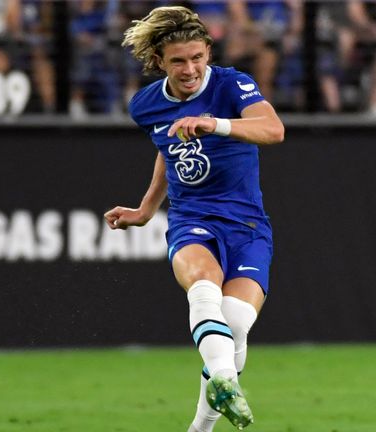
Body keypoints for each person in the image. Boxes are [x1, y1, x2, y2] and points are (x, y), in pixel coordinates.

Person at [104, 6, 284, 431]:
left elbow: (273, 130)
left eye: (197, 57)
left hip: (247, 223)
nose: (190, 69)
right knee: (203, 286)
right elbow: (167, 150)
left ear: (208, 53)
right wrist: (147, 209)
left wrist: (215, 124)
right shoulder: (146, 105)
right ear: (159, 62)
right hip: (192, 218)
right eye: (178, 61)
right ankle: (224, 379)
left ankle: (199, 427)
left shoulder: (231, 84)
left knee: (236, 323)